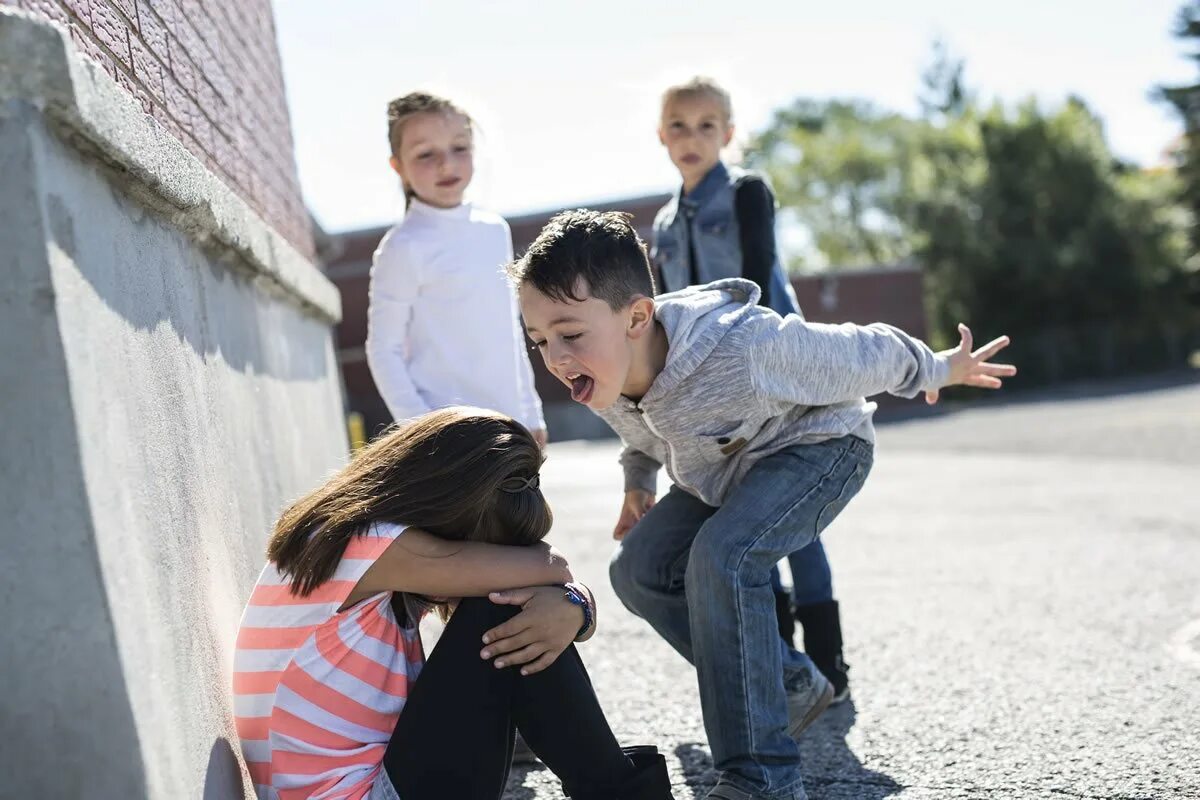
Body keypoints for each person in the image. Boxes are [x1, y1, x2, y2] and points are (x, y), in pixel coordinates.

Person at [509, 210, 1015, 800]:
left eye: (569, 334)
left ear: (636, 317)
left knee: (723, 557)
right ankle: (787, 682)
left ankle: (764, 778)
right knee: (637, 572)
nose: (556, 357)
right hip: (726, 472)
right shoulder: (602, 370)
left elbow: (861, 350)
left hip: (821, 448)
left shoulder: (744, 347)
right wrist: (638, 482)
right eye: (539, 340)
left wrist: (937, 367)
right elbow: (641, 434)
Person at [232, 407, 674, 800]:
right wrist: (572, 601)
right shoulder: (366, 545)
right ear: (446, 509)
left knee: (513, 609)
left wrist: (575, 606)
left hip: (376, 782)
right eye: (484, 550)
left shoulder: (352, 544)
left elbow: (552, 578)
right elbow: (551, 566)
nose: (486, 567)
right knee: (502, 608)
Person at [650, 76, 843, 698]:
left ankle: (830, 663)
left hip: (774, 374)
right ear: (661, 135)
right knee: (745, 519)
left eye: (707, 125)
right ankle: (786, 667)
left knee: (795, 523)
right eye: (679, 125)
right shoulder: (662, 223)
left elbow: (760, 277)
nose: (692, 137)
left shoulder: (746, 194)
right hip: (709, 393)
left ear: (728, 134)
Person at [366, 92, 546, 447]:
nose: (446, 164)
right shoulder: (403, 247)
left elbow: (509, 331)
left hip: (511, 426)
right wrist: (423, 429)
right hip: (448, 436)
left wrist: (531, 412)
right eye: (425, 154)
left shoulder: (494, 230)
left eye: (459, 148)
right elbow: (382, 349)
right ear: (398, 167)